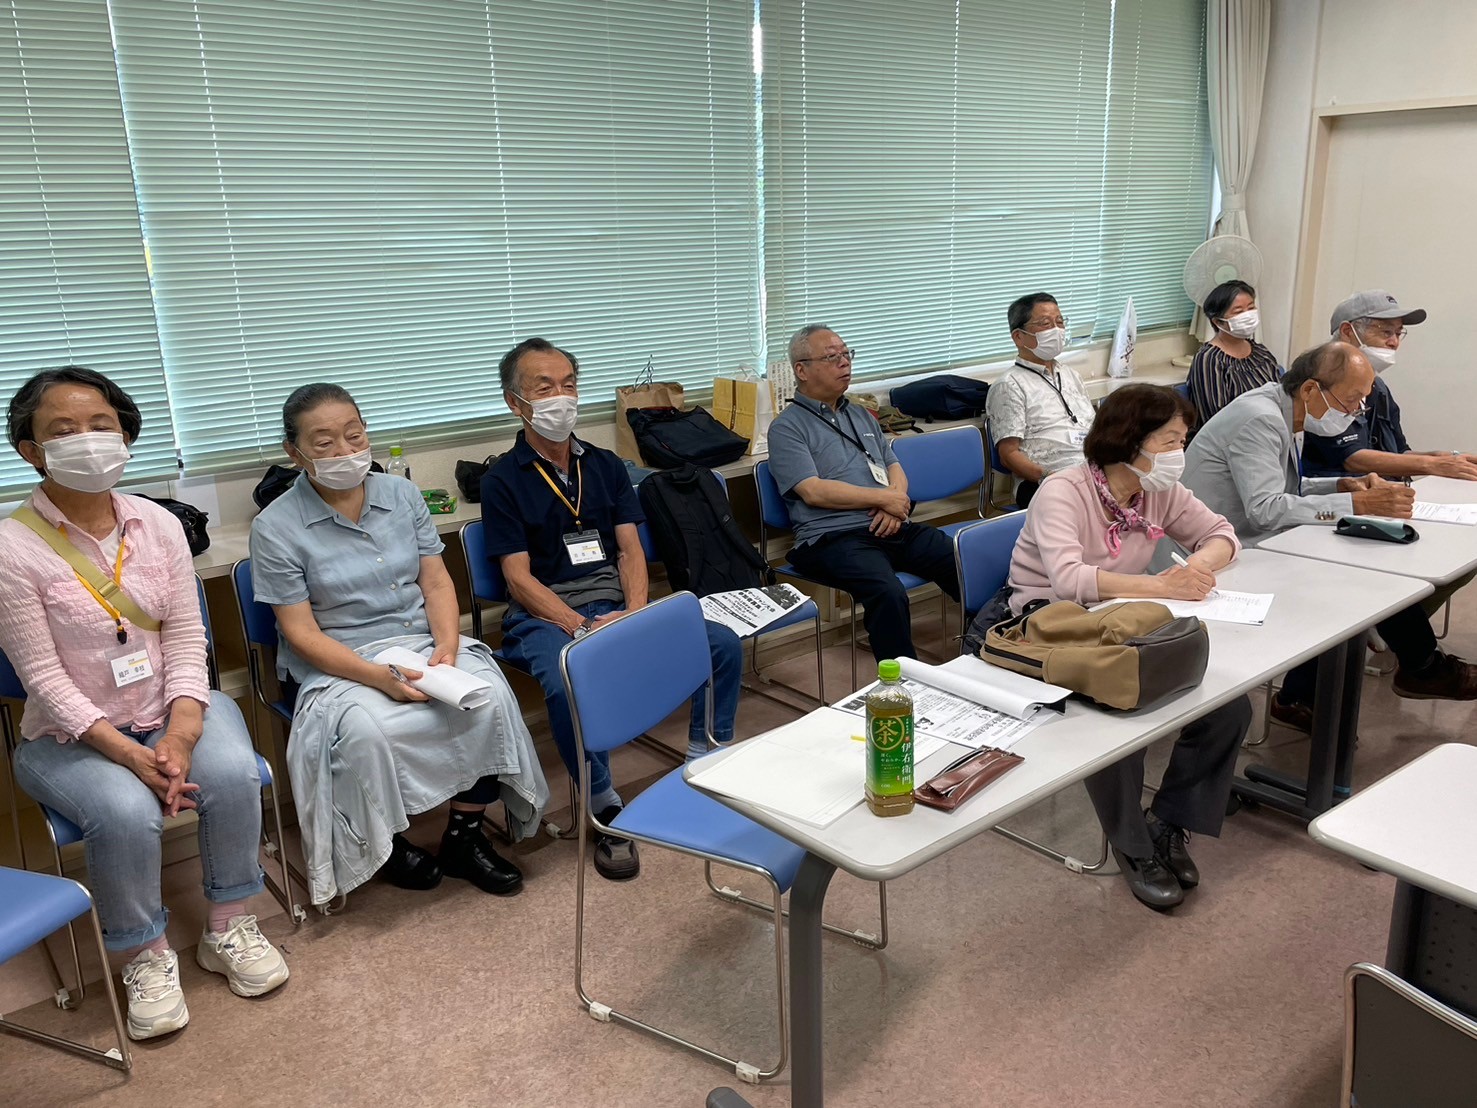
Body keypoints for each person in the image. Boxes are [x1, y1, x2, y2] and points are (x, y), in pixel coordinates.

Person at [0, 366, 289, 1041]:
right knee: (125, 810)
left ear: (126, 435)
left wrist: (181, 731)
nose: (87, 439)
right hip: (67, 735)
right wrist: (131, 755)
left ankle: (229, 925)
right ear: (30, 450)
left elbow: (187, 635)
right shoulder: (11, 547)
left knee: (232, 772)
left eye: (101, 424)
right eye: (63, 430)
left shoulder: (157, 523)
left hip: (171, 707)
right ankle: (143, 953)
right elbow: (42, 678)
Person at [250, 384, 547, 908]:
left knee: (487, 698)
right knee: (367, 732)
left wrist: (447, 649)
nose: (345, 451)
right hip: (339, 661)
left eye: (353, 435)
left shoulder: (402, 495)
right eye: (324, 443)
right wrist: (377, 678)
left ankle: (464, 835)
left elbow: (435, 581)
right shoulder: (275, 527)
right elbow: (301, 633)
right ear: (294, 453)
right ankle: (386, 845)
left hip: (420, 640)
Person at [480, 338, 743, 882]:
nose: (561, 398)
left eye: (568, 384)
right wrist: (581, 628)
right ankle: (603, 806)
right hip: (546, 614)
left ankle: (705, 760)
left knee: (719, 643)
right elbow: (518, 578)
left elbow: (629, 550)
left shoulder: (603, 465)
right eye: (544, 388)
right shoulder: (502, 479)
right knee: (569, 680)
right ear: (515, 402)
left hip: (617, 606)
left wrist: (636, 613)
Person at [1006, 384, 1249, 910]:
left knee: (1229, 708)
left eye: (1182, 440)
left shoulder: (1156, 489)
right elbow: (1070, 580)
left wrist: (1196, 567)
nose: (1179, 453)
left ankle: (1169, 822)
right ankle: (1133, 847)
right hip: (1049, 624)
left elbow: (1221, 533)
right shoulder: (1063, 491)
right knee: (1120, 711)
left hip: (1123, 620)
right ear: (1128, 440)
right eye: (1169, 441)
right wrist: (1164, 587)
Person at [1184, 341, 1477, 724]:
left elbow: (1288, 488)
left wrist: (1343, 486)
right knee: (1355, 580)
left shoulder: (1288, 409)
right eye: (1351, 401)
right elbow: (1265, 509)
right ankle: (1416, 669)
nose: (1355, 412)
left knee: (1367, 565)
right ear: (1311, 388)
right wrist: (1356, 504)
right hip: (1215, 552)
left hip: (1256, 537)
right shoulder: (1260, 419)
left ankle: (1400, 671)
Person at [766, 324, 960, 663]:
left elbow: (893, 465)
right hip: (832, 537)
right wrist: (883, 499)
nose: (844, 363)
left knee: (960, 559)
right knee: (887, 591)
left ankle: (991, 641)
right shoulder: (786, 427)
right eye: (832, 357)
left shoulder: (859, 414)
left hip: (889, 523)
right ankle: (903, 679)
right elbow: (813, 491)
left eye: (846, 354)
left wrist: (894, 504)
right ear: (802, 370)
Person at [1302, 290, 1477, 481]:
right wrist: (1432, 465)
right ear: (1347, 332)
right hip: (1337, 494)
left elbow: (1399, 451)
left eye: (1398, 333)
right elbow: (1351, 458)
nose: (1394, 342)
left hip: (1383, 491)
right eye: (1386, 332)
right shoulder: (1321, 381)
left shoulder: (1379, 388)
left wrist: (1444, 458)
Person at [985, 292, 1097, 509]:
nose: (1056, 330)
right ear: (1019, 337)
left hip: (1093, 471)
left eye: (1060, 322)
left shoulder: (1071, 376)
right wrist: (1053, 479)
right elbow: (1008, 455)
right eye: (1046, 324)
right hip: (1044, 482)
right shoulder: (1009, 385)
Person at [1187, 280, 1283, 423]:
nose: (1248, 315)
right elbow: (1215, 419)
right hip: (1232, 433)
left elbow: (1280, 396)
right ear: (1217, 321)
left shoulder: (1260, 352)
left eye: (1251, 308)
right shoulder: (1209, 359)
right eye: (1238, 312)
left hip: (1271, 427)